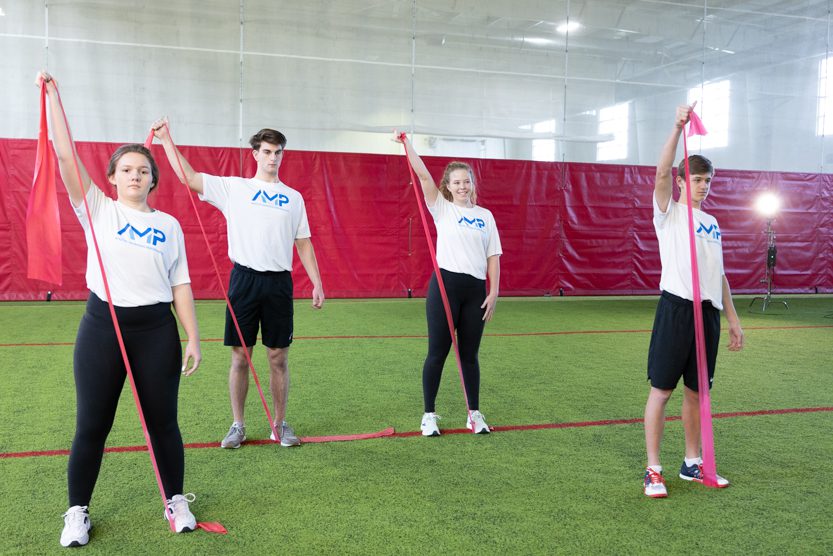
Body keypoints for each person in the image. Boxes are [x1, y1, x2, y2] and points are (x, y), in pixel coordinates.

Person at [37, 73, 202, 547]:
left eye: (143, 171)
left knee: (162, 423)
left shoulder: (169, 226)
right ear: (112, 178)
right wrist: (53, 98)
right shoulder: (97, 208)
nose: (135, 176)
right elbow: (66, 155)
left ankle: (175, 501)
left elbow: (181, 284)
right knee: (92, 423)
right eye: (126, 170)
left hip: (155, 331)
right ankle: (77, 512)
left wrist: (191, 336)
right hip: (102, 327)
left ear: (153, 179)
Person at [152, 119, 324, 449]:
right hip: (243, 281)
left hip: (279, 284)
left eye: (278, 152)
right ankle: (238, 425)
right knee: (240, 358)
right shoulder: (235, 188)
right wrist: (165, 139)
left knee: (278, 357)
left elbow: (303, 242)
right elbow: (189, 178)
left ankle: (279, 424)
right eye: (268, 152)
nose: (273, 158)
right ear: (256, 154)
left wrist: (316, 281)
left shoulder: (293, 198)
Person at [643, 105, 745, 498]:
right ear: (684, 182)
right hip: (676, 310)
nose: (703, 186)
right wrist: (676, 127)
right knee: (662, 391)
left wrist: (733, 318)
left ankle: (692, 462)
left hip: (709, 313)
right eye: (698, 179)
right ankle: (653, 469)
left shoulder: (713, 223)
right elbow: (661, 172)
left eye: (707, 181)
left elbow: (718, 275)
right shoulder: (668, 213)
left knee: (697, 392)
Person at [394, 132, 501, 437]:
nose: (462, 186)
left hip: (476, 291)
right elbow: (423, 175)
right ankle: (429, 415)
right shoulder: (442, 208)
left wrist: (493, 292)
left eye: (466, 181)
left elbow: (493, 255)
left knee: (469, 354)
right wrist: (406, 144)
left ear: (472, 184)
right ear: (448, 186)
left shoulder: (485, 217)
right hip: (445, 287)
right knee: (437, 352)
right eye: (456, 182)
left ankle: (474, 413)